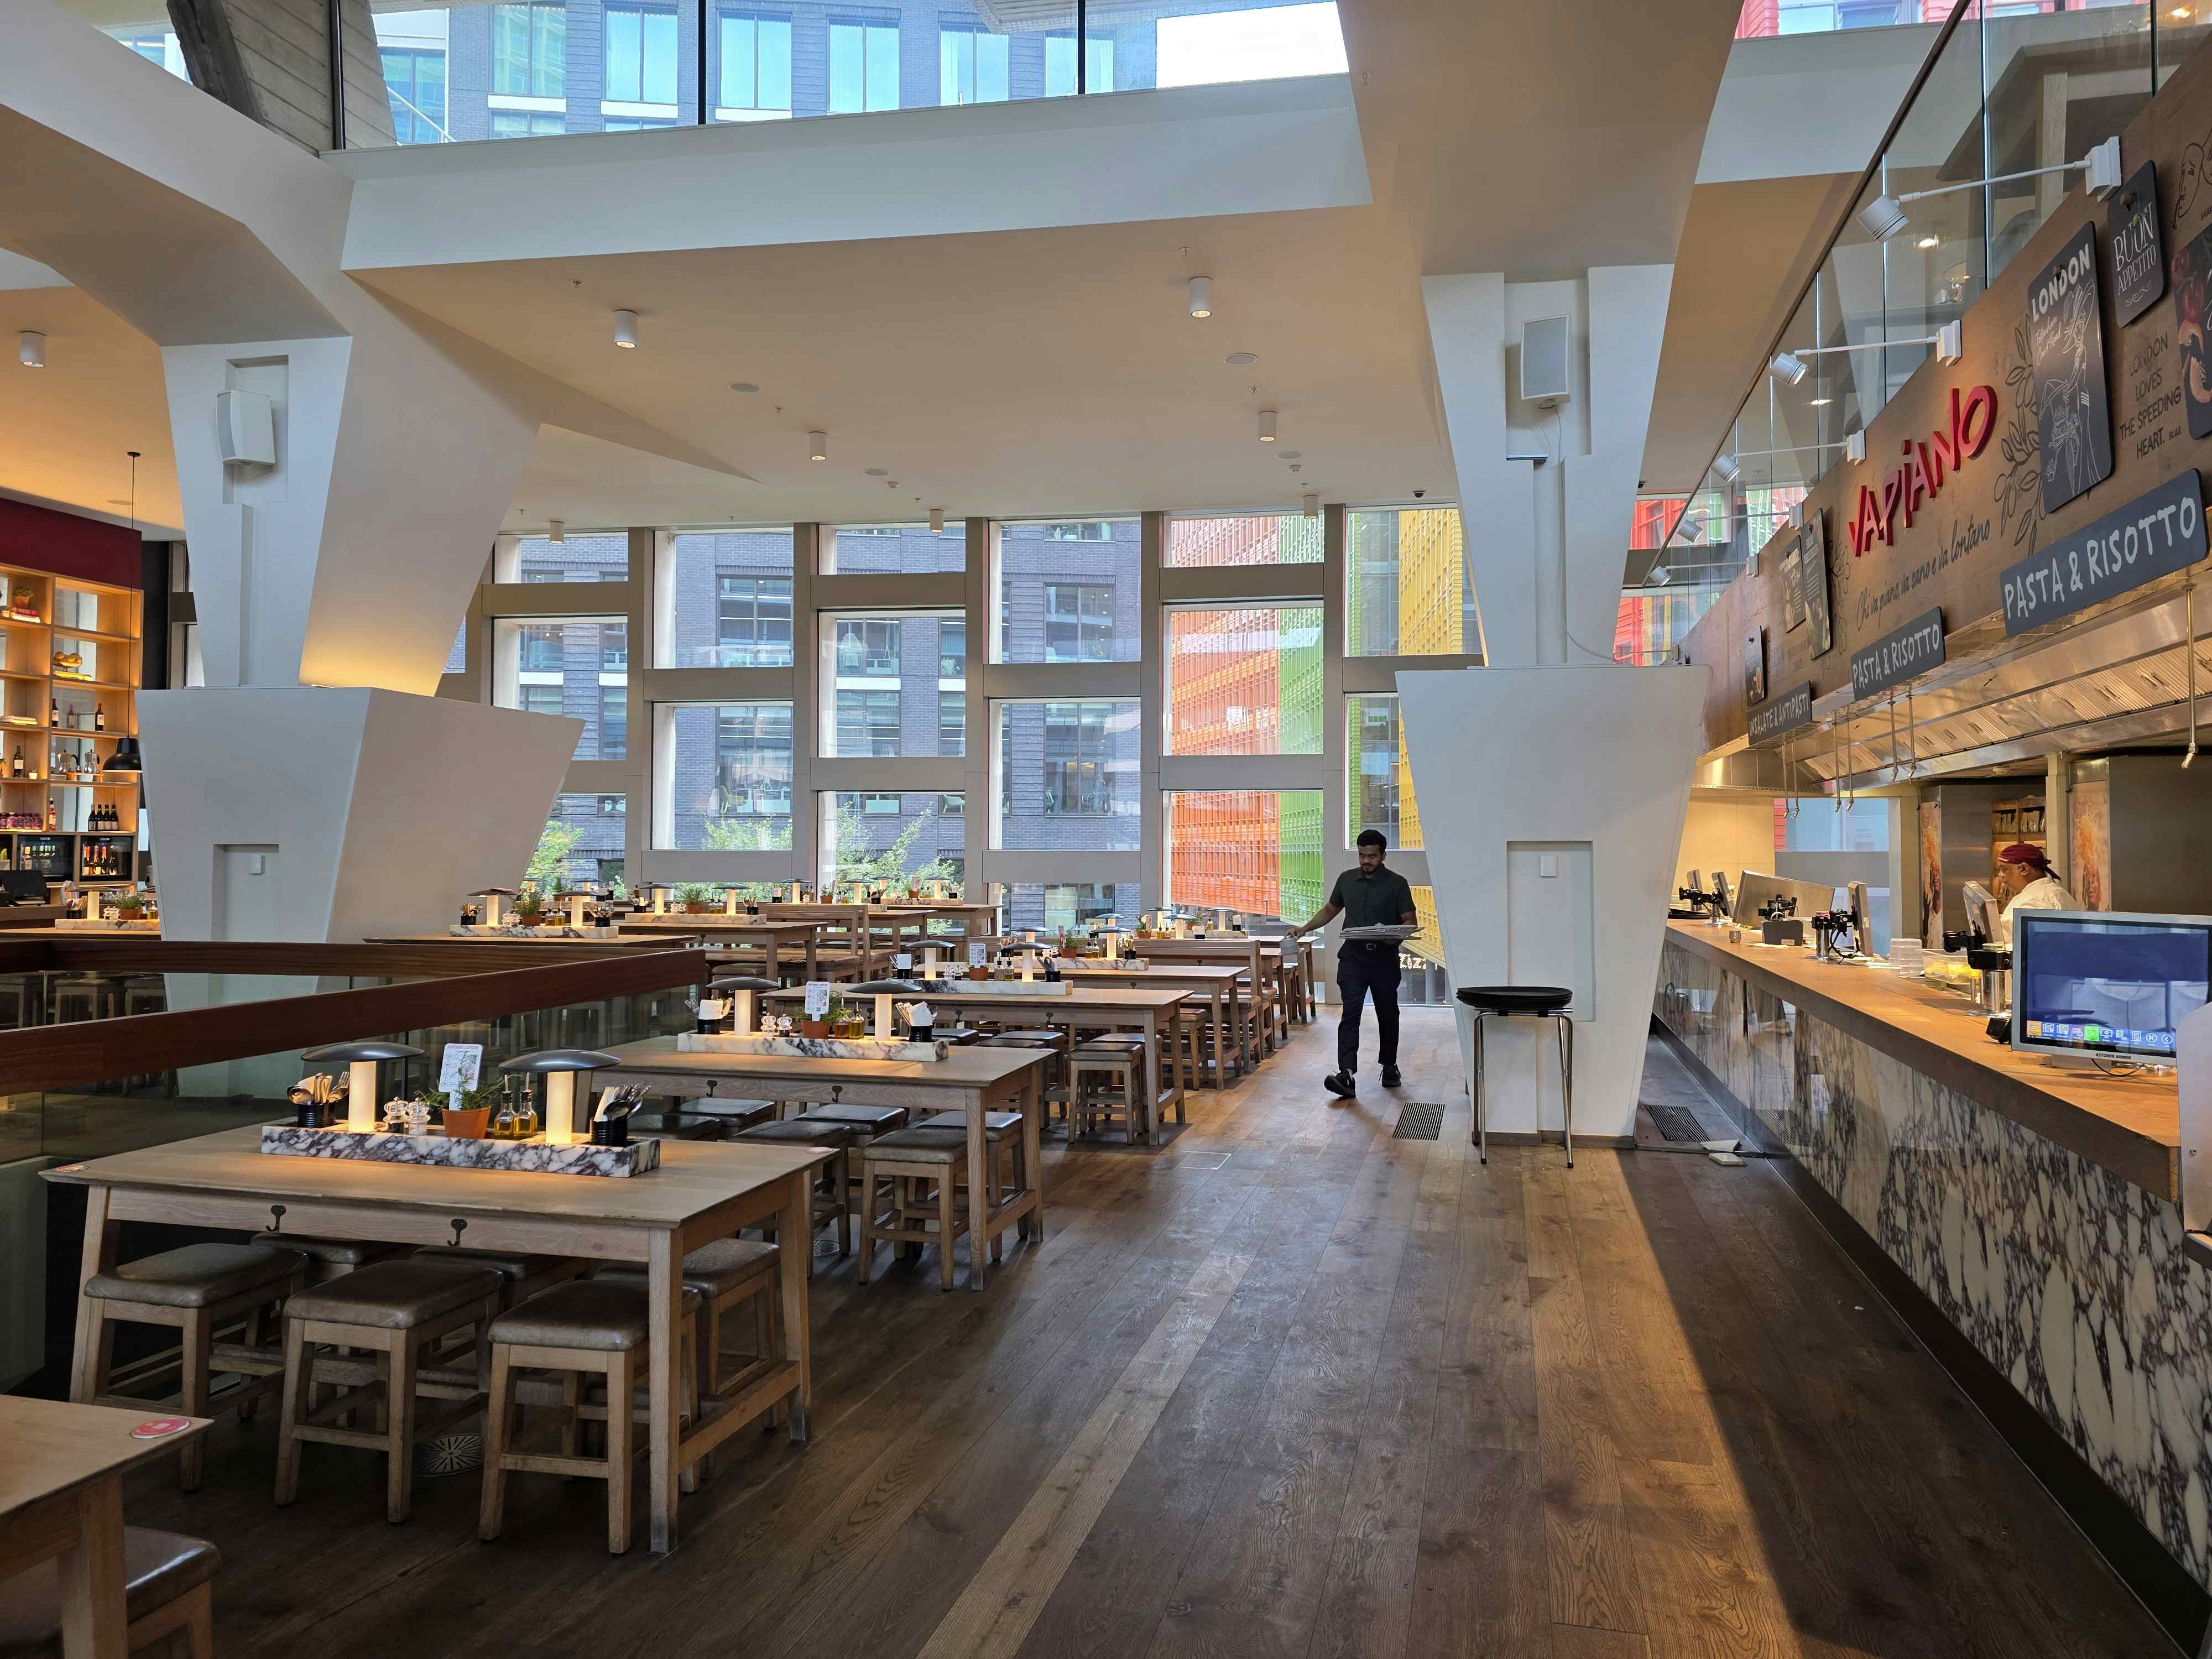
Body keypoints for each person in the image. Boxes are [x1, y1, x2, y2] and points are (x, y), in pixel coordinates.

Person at [1295, 828, 1418, 1100]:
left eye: (1372, 856)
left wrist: (1394, 935)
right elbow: (1330, 909)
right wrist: (1305, 928)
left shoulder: (1397, 883)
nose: (1366, 860)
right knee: (1350, 1013)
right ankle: (1346, 1074)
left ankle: (1389, 1066)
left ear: (1383, 855)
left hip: (1384, 959)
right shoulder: (1346, 880)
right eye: (1362, 855)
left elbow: (1409, 920)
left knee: (1388, 1013)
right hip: (1353, 958)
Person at [1994, 841, 2078, 947]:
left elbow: (2030, 949)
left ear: (2024, 869)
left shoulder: (2035, 900)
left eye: (2004, 869)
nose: (2000, 875)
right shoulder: (2054, 891)